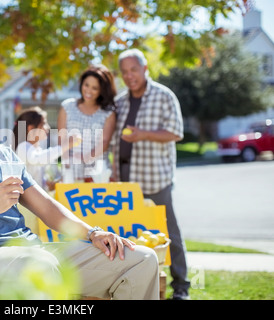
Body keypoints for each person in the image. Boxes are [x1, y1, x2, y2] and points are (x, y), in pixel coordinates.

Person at [0, 81, 160, 300]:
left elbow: (47, 208)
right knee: (39, 266)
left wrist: (93, 233)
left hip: (35, 251)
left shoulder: (5, 156)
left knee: (141, 260)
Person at [112, 48, 190, 300]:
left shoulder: (164, 96)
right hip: (126, 181)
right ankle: (131, 284)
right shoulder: (121, 101)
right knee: (130, 235)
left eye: (134, 69)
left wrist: (143, 134)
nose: (129, 75)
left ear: (145, 69)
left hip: (156, 179)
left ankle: (181, 287)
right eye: (124, 72)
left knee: (169, 232)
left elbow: (176, 132)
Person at [57, 64, 116, 182]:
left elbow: (104, 142)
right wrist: (68, 165)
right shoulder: (67, 106)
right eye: (86, 85)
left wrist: (85, 159)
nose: (88, 91)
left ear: (102, 91)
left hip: (98, 173)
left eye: (95, 88)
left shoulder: (108, 113)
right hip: (71, 171)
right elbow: (62, 139)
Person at [13, 106, 79, 191]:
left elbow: (35, 178)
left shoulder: (37, 149)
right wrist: (66, 145)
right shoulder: (23, 147)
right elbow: (38, 159)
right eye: (44, 124)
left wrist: (47, 184)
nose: (48, 127)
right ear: (31, 128)